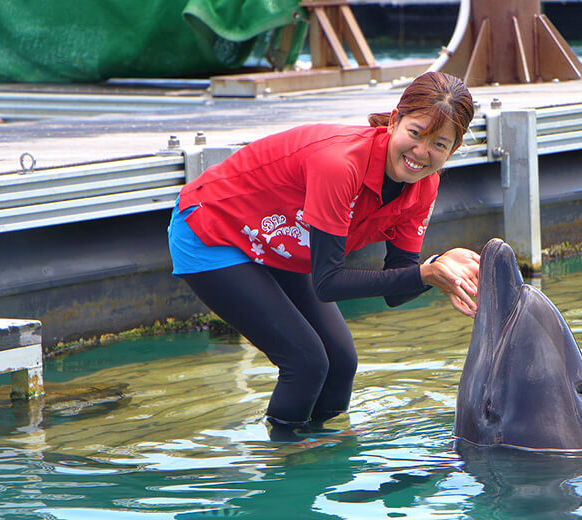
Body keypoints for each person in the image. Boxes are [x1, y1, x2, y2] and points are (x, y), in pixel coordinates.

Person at [167, 71, 480, 440]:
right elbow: (328, 283)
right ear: (394, 121)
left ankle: (323, 445)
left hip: (282, 243)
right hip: (213, 230)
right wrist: (427, 275)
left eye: (439, 145)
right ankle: (286, 456)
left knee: (341, 361)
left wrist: (438, 268)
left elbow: (398, 289)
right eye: (415, 133)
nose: (421, 153)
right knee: (305, 361)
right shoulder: (340, 164)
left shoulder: (424, 185)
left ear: (453, 150)